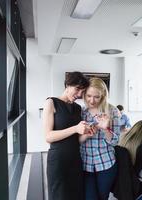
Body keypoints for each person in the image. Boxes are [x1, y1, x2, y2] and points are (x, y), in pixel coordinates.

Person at [43, 71, 90, 200]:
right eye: (78, 89)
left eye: (83, 91)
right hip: (58, 161)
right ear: (68, 84)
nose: (80, 94)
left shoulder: (77, 108)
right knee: (59, 196)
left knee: (77, 195)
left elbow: (76, 140)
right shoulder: (51, 103)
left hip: (75, 159)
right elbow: (48, 137)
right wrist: (75, 128)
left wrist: (88, 134)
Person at [80, 77, 121, 200]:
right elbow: (77, 141)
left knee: (102, 197)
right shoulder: (81, 112)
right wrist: (87, 134)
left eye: (96, 97)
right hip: (85, 163)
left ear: (103, 95)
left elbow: (115, 141)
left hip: (106, 163)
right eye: (88, 96)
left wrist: (105, 129)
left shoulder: (112, 111)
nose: (91, 100)